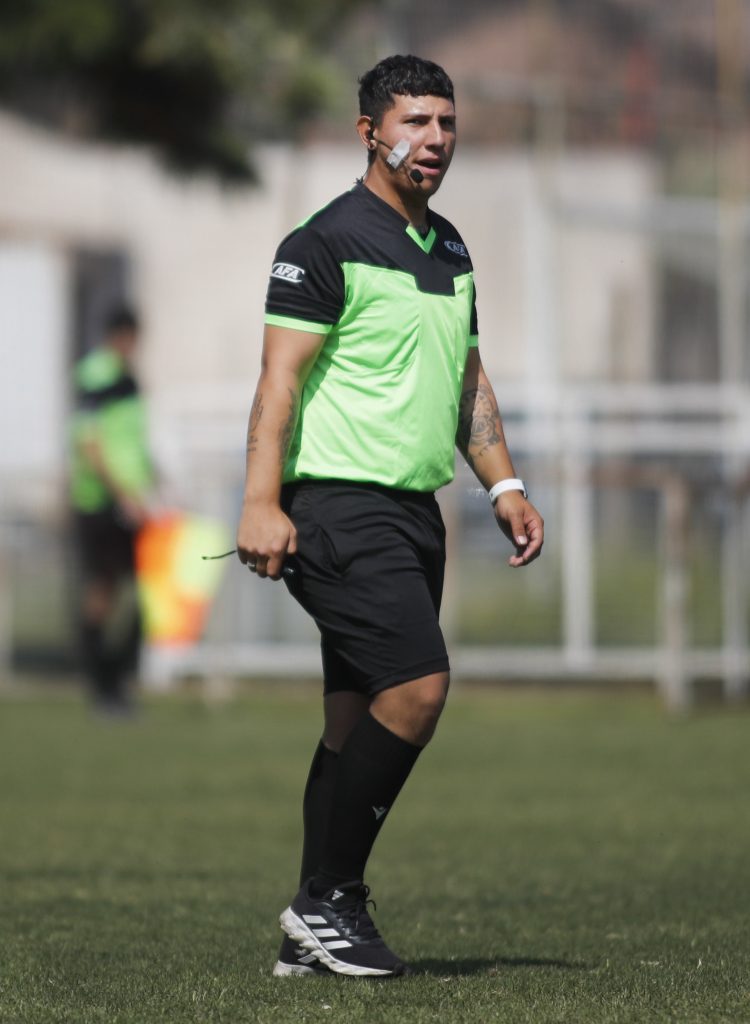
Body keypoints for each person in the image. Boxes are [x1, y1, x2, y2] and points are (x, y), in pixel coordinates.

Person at [236, 54, 544, 978]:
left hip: (414, 513)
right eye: (415, 122)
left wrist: (504, 485)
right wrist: (259, 501)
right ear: (370, 133)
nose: (435, 139)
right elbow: (278, 384)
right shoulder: (323, 242)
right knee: (417, 688)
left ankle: (309, 936)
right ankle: (330, 901)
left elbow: (468, 381)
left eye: (446, 123)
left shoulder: (451, 248)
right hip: (336, 506)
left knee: (351, 720)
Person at [69, 305, 155, 713]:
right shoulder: (96, 374)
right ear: (123, 335)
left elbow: (132, 441)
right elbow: (90, 443)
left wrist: (155, 482)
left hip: (129, 501)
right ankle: (100, 683)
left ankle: (115, 681)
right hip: (100, 501)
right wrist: (122, 495)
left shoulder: (128, 377)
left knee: (132, 594)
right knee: (103, 591)